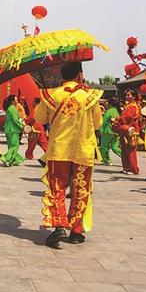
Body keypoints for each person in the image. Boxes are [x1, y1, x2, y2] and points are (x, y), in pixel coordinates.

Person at [35, 62, 103, 248]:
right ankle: (76, 231)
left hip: (58, 150)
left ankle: (58, 226)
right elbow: (98, 123)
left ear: (62, 77)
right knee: (80, 191)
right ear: (80, 75)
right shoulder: (90, 96)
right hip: (83, 150)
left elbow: (39, 118)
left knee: (57, 189)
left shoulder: (51, 94)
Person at [116, 89, 141, 175]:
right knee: (124, 149)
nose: (127, 96)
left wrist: (117, 120)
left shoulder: (133, 106)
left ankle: (133, 169)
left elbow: (127, 117)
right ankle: (126, 168)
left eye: (129, 95)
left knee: (130, 150)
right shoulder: (128, 105)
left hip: (131, 130)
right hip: (126, 129)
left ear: (134, 96)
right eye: (126, 95)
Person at [0, 94, 25, 167]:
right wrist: (21, 125)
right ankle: (6, 159)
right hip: (13, 129)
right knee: (15, 146)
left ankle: (14, 160)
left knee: (11, 146)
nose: (17, 101)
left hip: (8, 128)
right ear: (12, 101)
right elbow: (15, 120)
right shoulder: (13, 108)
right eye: (16, 100)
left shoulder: (9, 108)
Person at [98, 98, 122, 165]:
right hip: (116, 132)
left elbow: (104, 121)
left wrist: (101, 130)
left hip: (107, 131)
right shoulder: (117, 111)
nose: (106, 104)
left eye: (107, 103)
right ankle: (125, 157)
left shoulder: (109, 111)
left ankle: (107, 160)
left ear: (110, 104)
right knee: (115, 147)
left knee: (104, 146)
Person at [24, 97, 48, 162]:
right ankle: (48, 153)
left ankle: (28, 155)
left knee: (31, 143)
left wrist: (25, 120)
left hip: (34, 128)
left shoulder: (35, 110)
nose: (32, 103)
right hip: (40, 128)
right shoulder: (41, 109)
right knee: (44, 143)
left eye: (33, 102)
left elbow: (31, 119)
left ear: (36, 103)